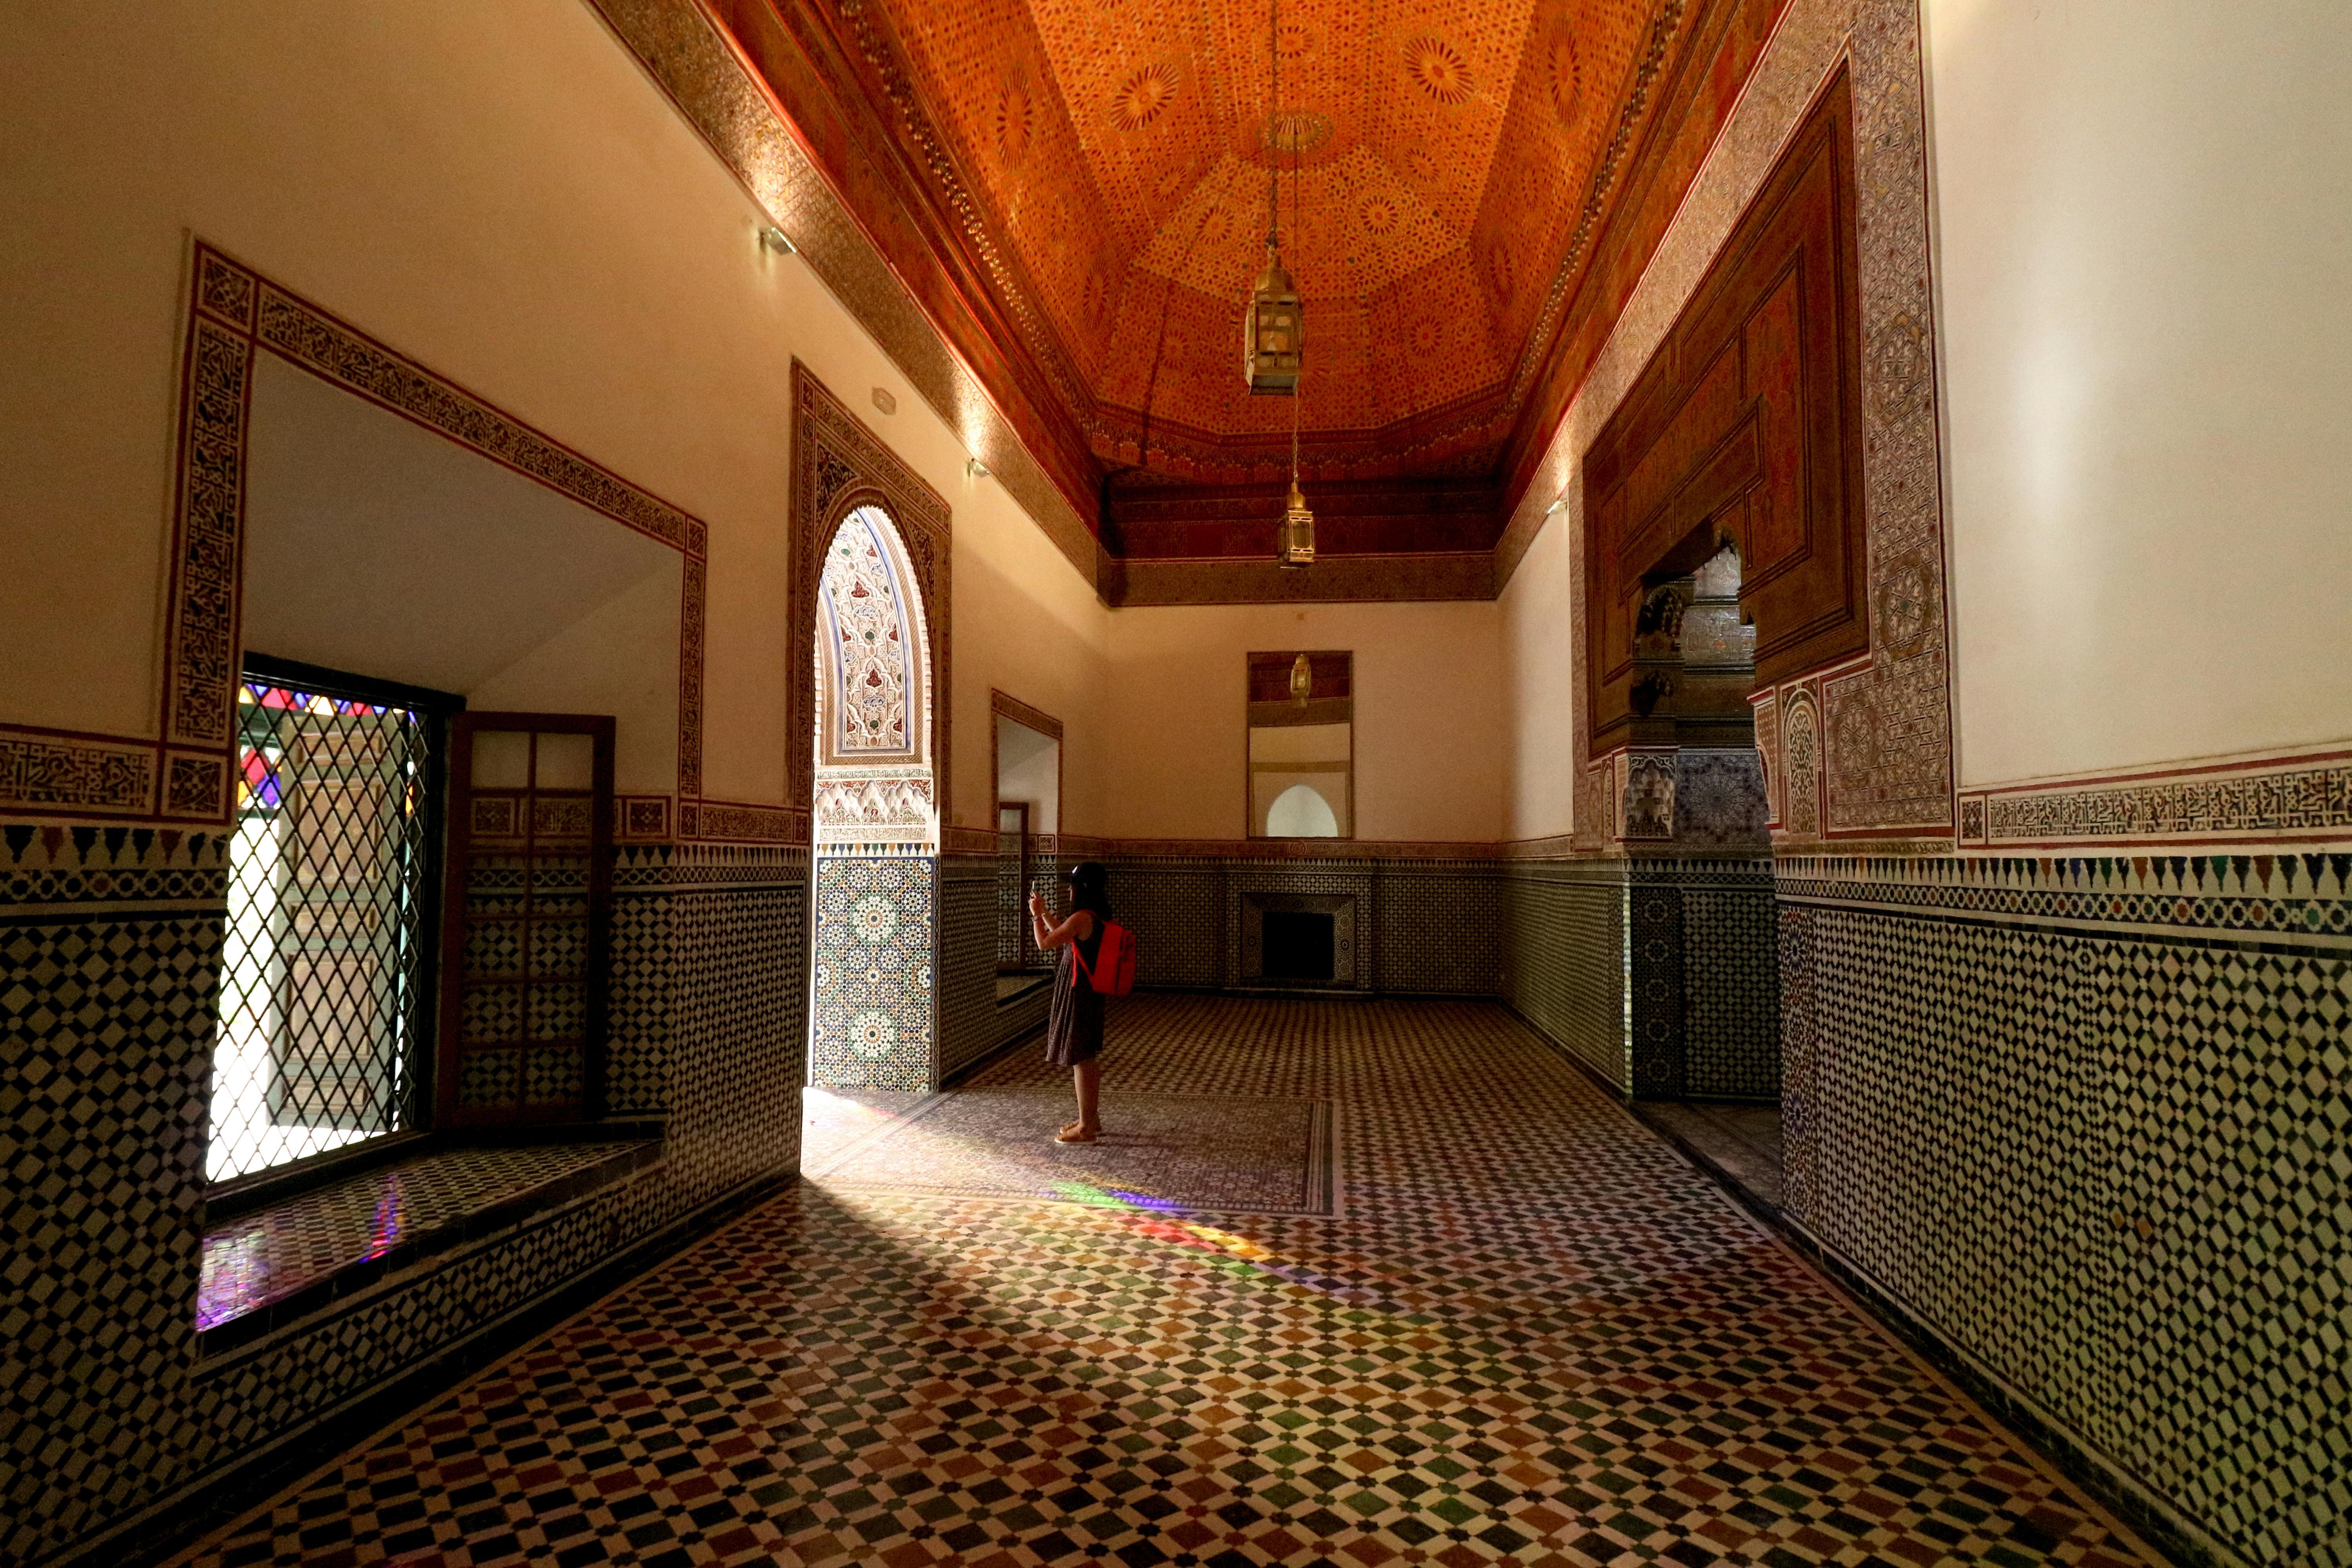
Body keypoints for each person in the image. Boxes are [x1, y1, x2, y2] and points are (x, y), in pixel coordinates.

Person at [1031, 861, 1112, 1143]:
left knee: (1082, 1057)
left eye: (1073, 885)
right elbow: (1065, 935)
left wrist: (1035, 918)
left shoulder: (1082, 918)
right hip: (1087, 990)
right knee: (1085, 1055)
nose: (1069, 890)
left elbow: (1045, 943)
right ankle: (1090, 1118)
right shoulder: (1093, 916)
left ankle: (1087, 1127)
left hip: (1080, 992)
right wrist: (1045, 913)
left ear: (1082, 889)